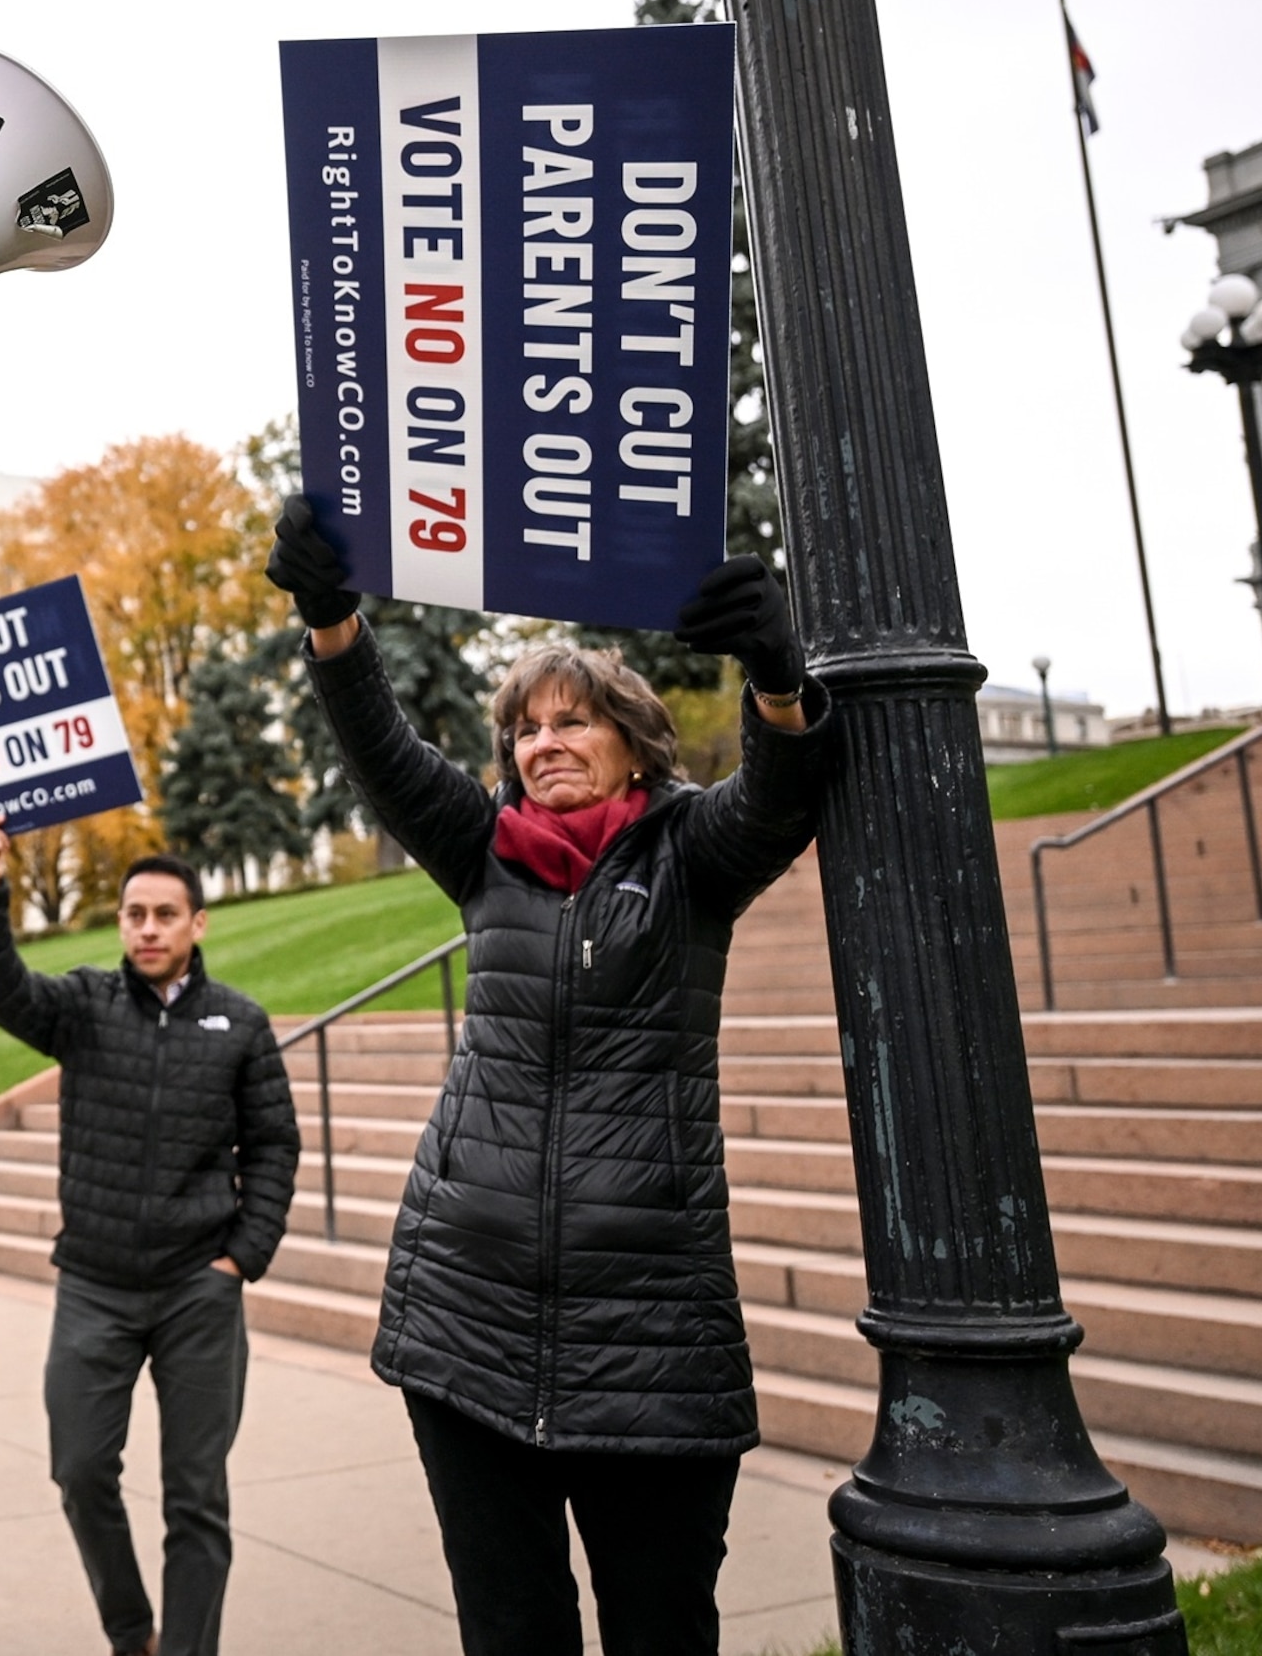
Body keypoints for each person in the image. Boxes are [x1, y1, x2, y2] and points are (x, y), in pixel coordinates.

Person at [261, 498, 831, 1656]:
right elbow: (383, 750)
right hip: (464, 1331)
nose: (544, 742)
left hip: (652, 1347)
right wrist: (331, 618)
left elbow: (780, 796)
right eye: (525, 728)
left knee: (660, 1630)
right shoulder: (487, 853)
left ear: (634, 736)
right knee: (511, 1629)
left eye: (574, 721)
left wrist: (776, 673)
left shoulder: (691, 855)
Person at [0, 823, 299, 1656]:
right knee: (79, 1470)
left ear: (197, 924)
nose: (147, 928)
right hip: (95, 1285)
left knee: (196, 1498)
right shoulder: (82, 1007)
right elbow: (1, 991)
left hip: (198, 1290)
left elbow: (275, 1145)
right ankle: (129, 1631)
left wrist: (239, 1259)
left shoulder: (241, 1025)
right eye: (133, 914)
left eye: (164, 914)